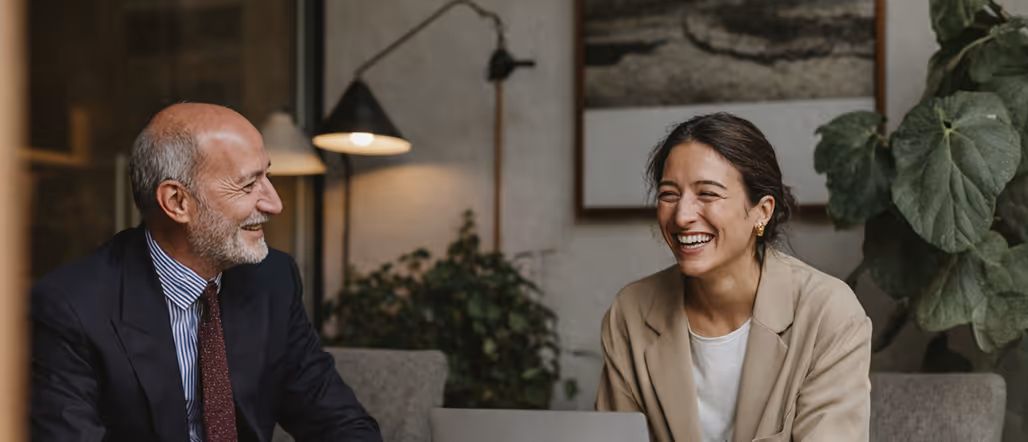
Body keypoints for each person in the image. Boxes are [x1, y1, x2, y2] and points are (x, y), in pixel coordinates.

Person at [31, 103, 382, 442]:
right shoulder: (70, 308)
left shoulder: (272, 278)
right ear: (177, 202)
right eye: (248, 185)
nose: (275, 204)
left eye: (267, 175)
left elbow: (338, 421)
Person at [595, 113, 871, 442]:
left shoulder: (829, 312)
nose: (682, 216)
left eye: (708, 194)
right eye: (669, 194)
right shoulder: (632, 312)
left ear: (762, 212)